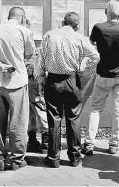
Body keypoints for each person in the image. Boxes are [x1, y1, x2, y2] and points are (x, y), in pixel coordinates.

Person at [34, 12, 99, 168]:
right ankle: (75, 157)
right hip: (72, 80)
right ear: (77, 25)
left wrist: (40, 81)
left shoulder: (49, 36)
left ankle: (53, 158)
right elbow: (95, 56)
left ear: (63, 22)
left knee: (53, 120)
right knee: (73, 119)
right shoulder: (80, 38)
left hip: (53, 81)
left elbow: (40, 61)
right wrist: (84, 73)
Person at [0, 7, 35, 171]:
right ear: (22, 17)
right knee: (18, 122)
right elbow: (29, 54)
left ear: (8, 16)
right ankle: (17, 160)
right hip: (17, 82)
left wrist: (0, 65)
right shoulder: (24, 31)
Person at [82, 0, 119, 155]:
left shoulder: (98, 27)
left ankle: (89, 143)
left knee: (96, 109)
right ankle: (114, 144)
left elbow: (89, 45)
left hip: (103, 74)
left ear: (106, 11)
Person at [26, 63, 49, 154]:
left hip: (29, 78)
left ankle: (33, 142)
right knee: (40, 111)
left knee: (31, 113)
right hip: (35, 79)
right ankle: (45, 144)